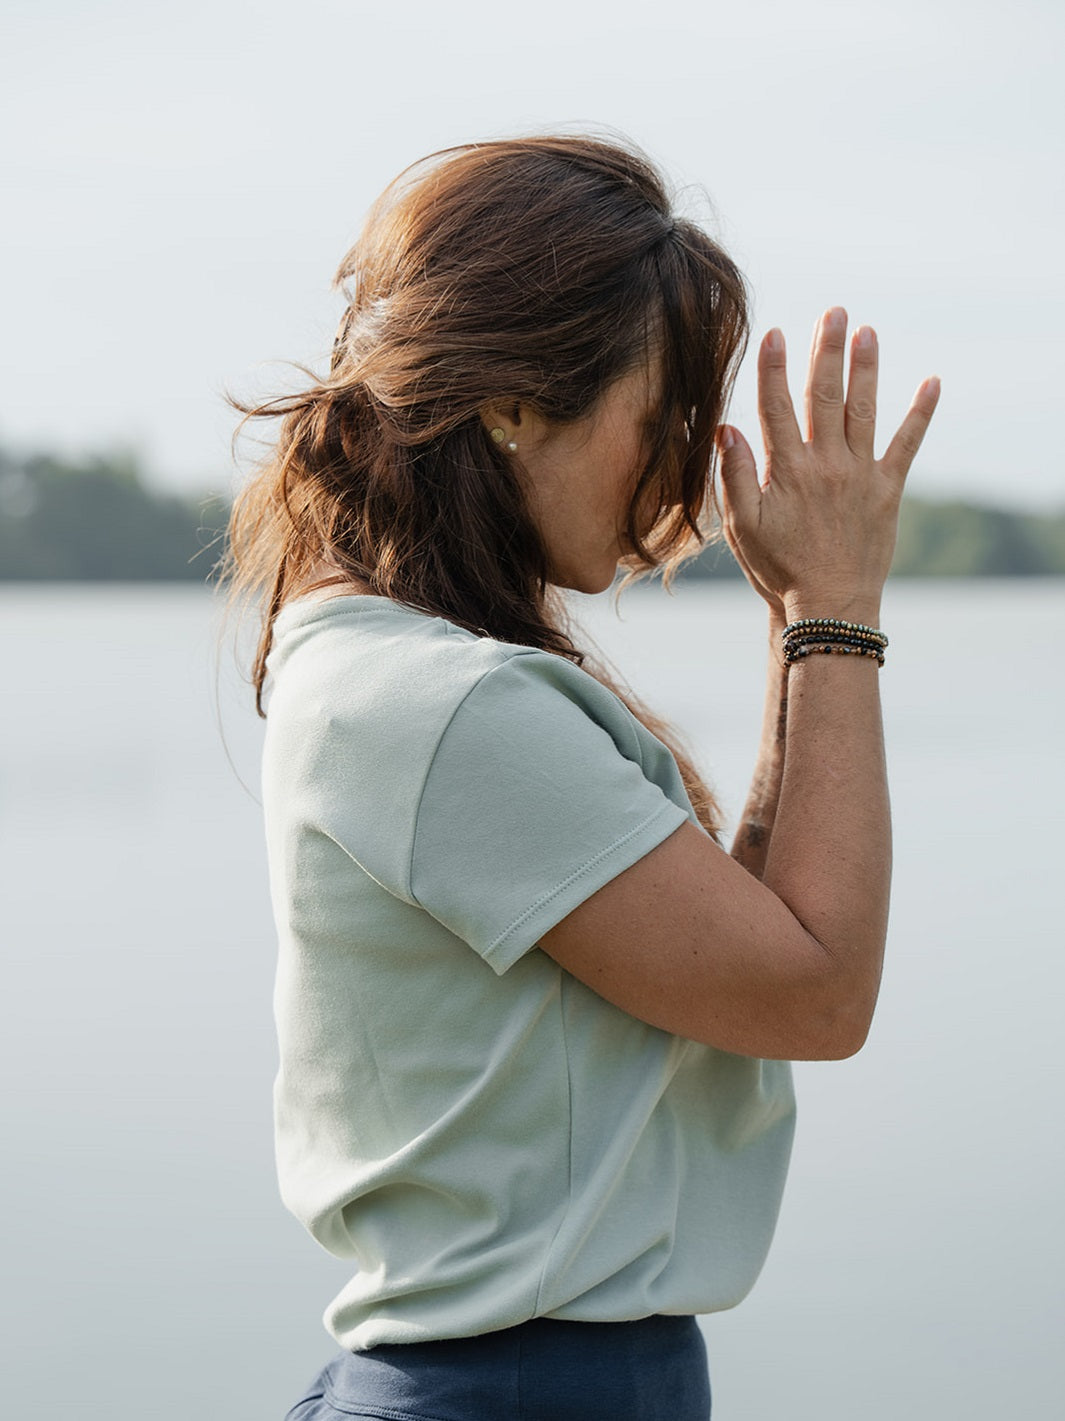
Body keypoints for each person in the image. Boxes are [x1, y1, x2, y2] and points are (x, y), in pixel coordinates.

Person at [227, 134, 939, 1421]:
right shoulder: (447, 706)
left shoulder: (391, 671)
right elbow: (816, 992)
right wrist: (838, 605)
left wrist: (796, 619)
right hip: (525, 1387)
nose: (685, 467)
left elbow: (754, 961)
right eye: (663, 413)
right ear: (511, 402)